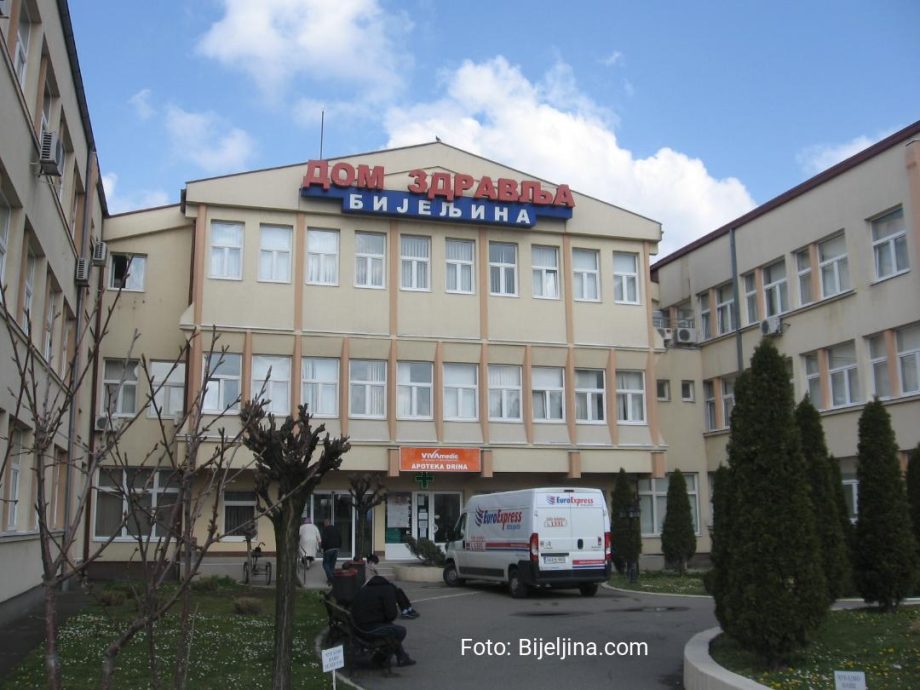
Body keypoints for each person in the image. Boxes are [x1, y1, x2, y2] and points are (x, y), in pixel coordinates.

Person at [350, 566, 417, 667]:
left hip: (356, 626)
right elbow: (391, 615)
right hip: (367, 630)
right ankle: (381, 658)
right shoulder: (388, 590)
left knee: (390, 628)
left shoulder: (364, 589)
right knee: (400, 631)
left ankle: (402, 657)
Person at [366, 554, 419, 619]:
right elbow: (370, 581)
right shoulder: (366, 570)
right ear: (370, 562)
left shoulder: (373, 569)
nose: (375, 565)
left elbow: (378, 579)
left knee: (399, 590)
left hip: (379, 588)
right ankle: (405, 611)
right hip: (374, 590)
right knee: (395, 591)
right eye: (375, 564)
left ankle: (408, 608)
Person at [320, 519, 342, 585]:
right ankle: (330, 580)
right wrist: (339, 546)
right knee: (332, 565)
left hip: (328, 549)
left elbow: (324, 540)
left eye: (324, 524)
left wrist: (322, 548)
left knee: (325, 564)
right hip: (336, 549)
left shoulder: (325, 530)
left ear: (325, 523)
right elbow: (340, 538)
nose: (324, 525)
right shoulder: (336, 529)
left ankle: (331, 578)